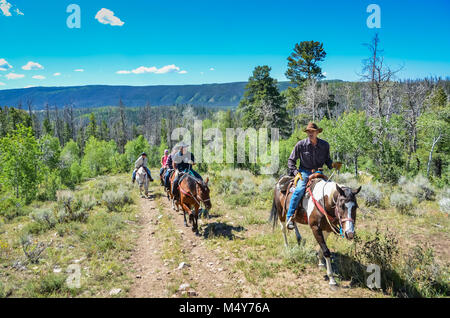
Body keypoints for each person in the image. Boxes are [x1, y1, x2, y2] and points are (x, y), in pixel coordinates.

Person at [286, 122, 342, 230]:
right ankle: (290, 217)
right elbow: (291, 160)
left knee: (332, 190)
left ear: (317, 132)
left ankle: (334, 218)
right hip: (304, 172)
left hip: (319, 172)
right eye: (308, 131)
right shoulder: (300, 145)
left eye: (312, 131)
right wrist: (295, 173)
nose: (310, 133)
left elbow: (327, 160)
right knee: (299, 190)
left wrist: (333, 165)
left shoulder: (325, 145)